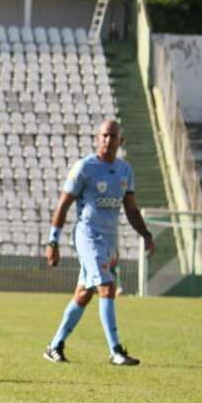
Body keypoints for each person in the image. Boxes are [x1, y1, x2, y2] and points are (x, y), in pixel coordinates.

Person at [44, 119, 155, 365]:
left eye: (113, 136)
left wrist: (146, 235)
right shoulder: (84, 167)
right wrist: (53, 241)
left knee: (84, 294)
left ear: (120, 141)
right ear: (97, 138)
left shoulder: (125, 170)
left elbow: (131, 209)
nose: (108, 140)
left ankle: (54, 346)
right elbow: (63, 204)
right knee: (107, 286)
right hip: (87, 236)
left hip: (108, 240)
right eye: (104, 135)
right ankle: (115, 351)